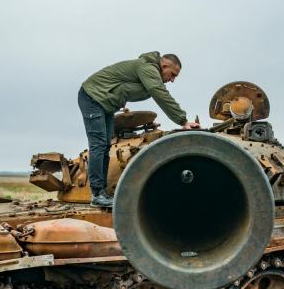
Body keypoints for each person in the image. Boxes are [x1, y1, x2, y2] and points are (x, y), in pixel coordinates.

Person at [78, 51, 199, 207]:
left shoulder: (150, 72)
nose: (173, 79)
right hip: (92, 97)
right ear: (164, 65)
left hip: (104, 104)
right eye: (172, 74)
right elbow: (160, 94)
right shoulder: (148, 68)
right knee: (99, 145)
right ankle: (96, 194)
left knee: (105, 146)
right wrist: (182, 120)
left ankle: (102, 193)